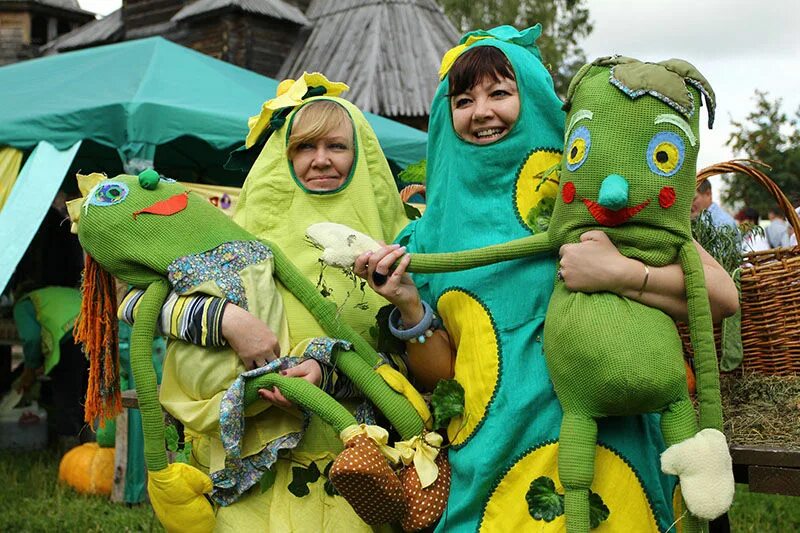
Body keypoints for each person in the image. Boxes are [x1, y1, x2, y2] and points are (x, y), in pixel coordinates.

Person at [356, 27, 738, 532]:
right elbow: (442, 373)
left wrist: (619, 272)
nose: (481, 111)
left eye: (500, 92)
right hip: (492, 467)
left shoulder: (589, 192)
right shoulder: (426, 236)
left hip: (608, 449)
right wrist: (408, 304)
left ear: (533, 97)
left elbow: (721, 297)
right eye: (464, 99)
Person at [123, 79, 412, 532]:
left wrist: (329, 374)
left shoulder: (399, 242)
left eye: (337, 145)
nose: (321, 159)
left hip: (352, 461)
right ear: (284, 153)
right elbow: (137, 304)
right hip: (252, 459)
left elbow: (413, 360)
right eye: (305, 146)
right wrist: (228, 320)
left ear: (363, 155)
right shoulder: (233, 233)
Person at [13, 285, 88, 447]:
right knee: (88, 394)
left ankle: (70, 447)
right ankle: (92, 443)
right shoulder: (49, 295)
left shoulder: (22, 305)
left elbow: (32, 338)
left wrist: (30, 370)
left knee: (66, 395)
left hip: (72, 336)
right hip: (98, 329)